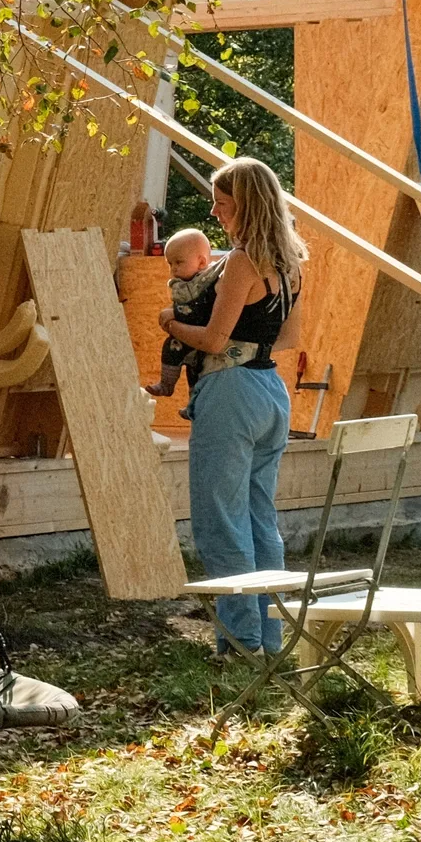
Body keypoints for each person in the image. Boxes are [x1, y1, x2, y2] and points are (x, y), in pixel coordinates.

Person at [165, 156, 306, 657]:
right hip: (271, 389)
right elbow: (290, 337)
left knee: (220, 520)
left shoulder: (243, 261)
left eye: (222, 204)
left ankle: (241, 641)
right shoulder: (290, 262)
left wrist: (170, 323)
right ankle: (270, 638)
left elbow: (212, 338)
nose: (216, 212)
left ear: (245, 206)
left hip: (230, 389)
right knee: (258, 518)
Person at [147, 228, 222, 397]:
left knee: (197, 372)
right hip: (184, 338)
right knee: (171, 349)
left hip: (202, 337)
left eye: (179, 262)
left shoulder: (208, 283)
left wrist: (175, 313)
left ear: (201, 262)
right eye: (170, 263)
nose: (173, 269)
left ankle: (193, 403)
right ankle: (166, 384)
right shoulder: (182, 283)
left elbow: (200, 309)